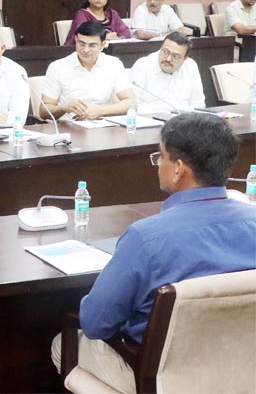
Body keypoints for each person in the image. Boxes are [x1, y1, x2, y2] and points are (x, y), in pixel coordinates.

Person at [50, 112, 256, 393]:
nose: (157, 163)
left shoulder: (145, 238)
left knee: (63, 343)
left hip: (162, 379)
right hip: (244, 372)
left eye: (160, 156)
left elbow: (96, 324)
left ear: (178, 168)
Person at [42, 21, 136, 121]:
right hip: (70, 124)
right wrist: (64, 107)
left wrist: (101, 111)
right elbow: (43, 111)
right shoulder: (57, 67)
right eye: (81, 44)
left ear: (102, 45)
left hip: (104, 124)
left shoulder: (113, 64)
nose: (86, 50)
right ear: (76, 40)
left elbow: (131, 103)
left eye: (92, 45)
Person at [128, 32, 205, 114]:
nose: (168, 59)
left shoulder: (190, 66)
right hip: (150, 118)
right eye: (165, 52)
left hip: (183, 118)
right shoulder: (143, 66)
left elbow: (198, 102)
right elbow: (132, 105)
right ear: (161, 48)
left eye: (175, 56)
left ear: (185, 58)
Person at [65, 0, 132, 46]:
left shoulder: (112, 14)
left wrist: (117, 37)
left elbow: (126, 32)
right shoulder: (82, 15)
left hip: (113, 50)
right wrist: (104, 37)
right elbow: (81, 36)